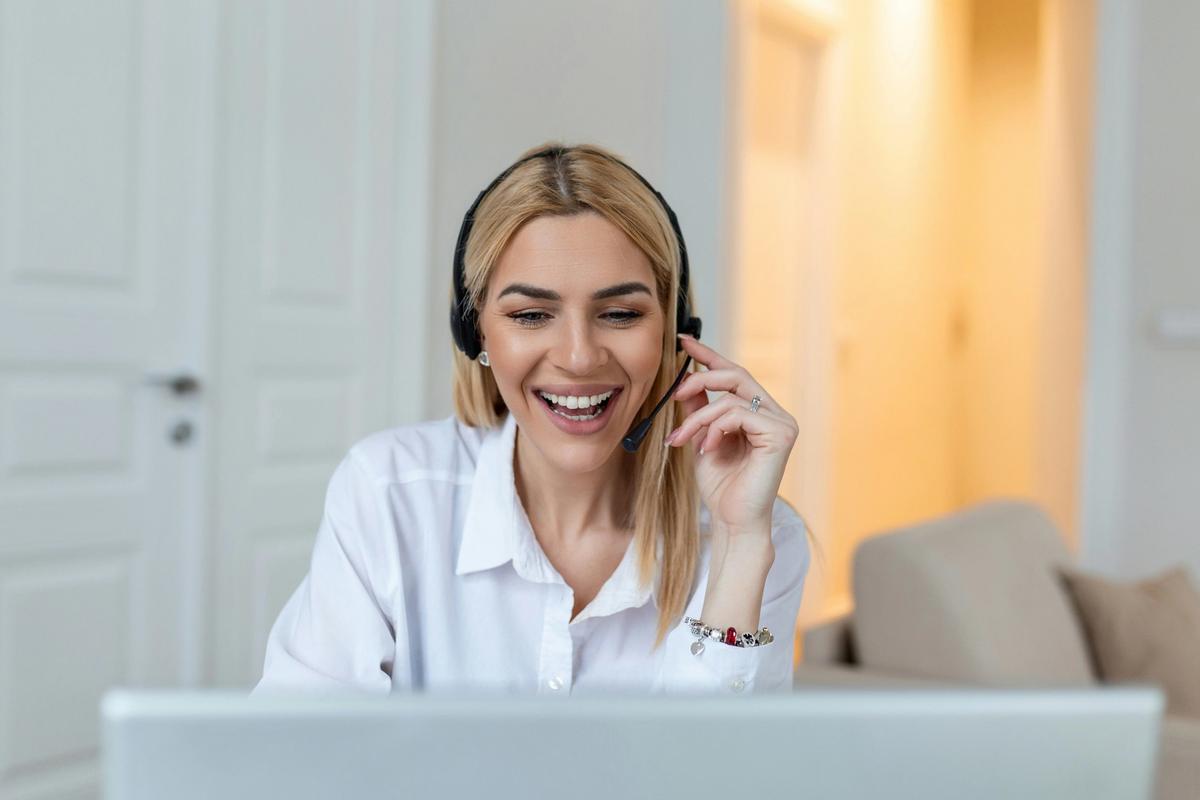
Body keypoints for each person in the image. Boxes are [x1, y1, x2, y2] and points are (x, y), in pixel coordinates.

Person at [253, 142, 819, 696]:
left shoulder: (752, 531)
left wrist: (739, 546)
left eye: (620, 314)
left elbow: (719, 778)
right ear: (476, 334)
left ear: (675, 333)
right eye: (530, 315)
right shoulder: (389, 494)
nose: (578, 357)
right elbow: (297, 756)